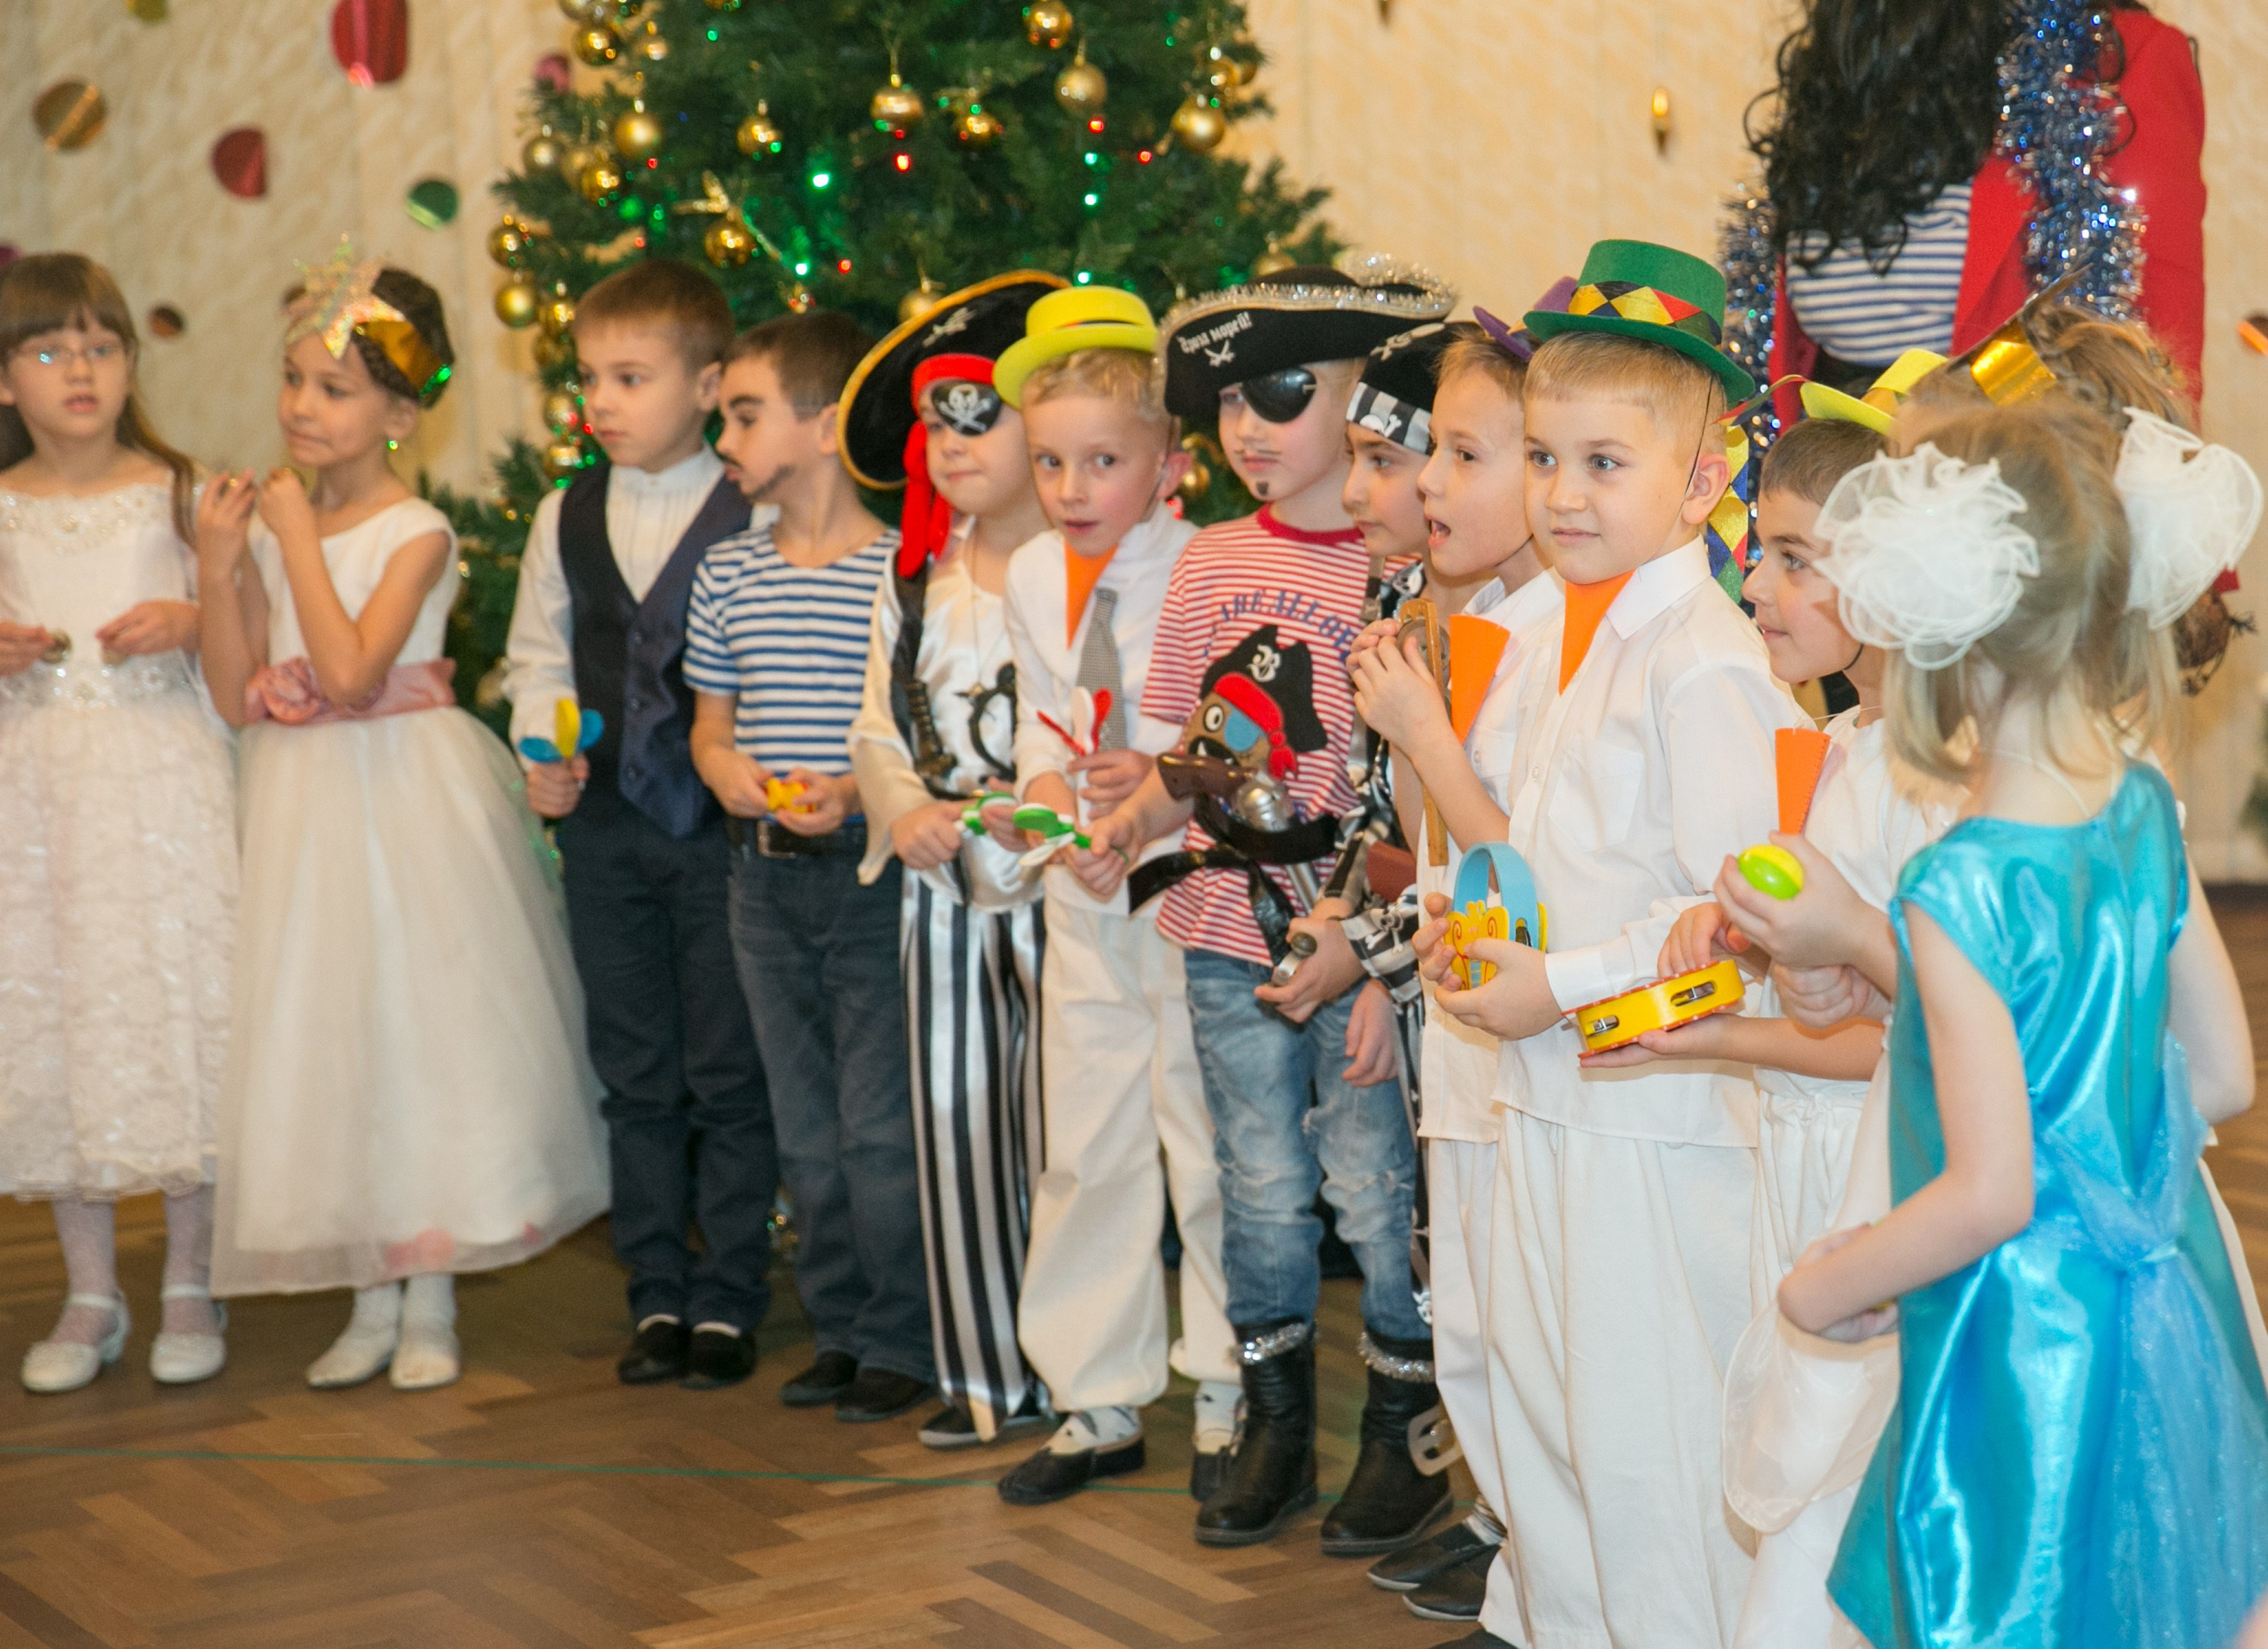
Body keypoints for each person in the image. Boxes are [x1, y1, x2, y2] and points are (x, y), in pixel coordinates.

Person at [1767, 398, 2268, 1645]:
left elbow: (1990, 1191)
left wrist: (1827, 1285)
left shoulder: (1960, 885)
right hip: (2165, 1299)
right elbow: (2221, 1077)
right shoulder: (2141, 803)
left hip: (2026, 1336)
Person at [1419, 239, 1809, 1649]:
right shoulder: (1550, 638)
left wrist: (1563, 985)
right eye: (1543, 459)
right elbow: (1535, 849)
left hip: (1657, 1115)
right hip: (1546, 1097)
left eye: (1604, 463)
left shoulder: (1704, 660)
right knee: (1550, 1419)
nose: (1563, 495)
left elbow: (1736, 913)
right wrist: (1470, 933)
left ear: (1703, 483)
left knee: (1650, 1439)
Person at [1083, 253, 1456, 1552]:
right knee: (1253, 1177)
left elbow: (1409, 793)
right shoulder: (1207, 560)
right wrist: (1134, 820)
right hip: (1222, 931)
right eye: (1232, 397)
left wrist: (1368, 951)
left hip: (1352, 939)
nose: (1248, 424)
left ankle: (1403, 1427)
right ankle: (1273, 1422)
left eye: (1284, 392)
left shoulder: (1407, 567)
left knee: (1372, 1181)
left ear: (1363, 401)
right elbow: (1201, 747)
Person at [201, 245, 607, 1391]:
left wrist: (289, 539)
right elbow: (238, 691)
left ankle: (431, 1293)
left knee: (421, 1030)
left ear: (398, 412)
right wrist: (221, 565)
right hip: (303, 807)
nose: (301, 407)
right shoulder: (273, 525)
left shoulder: (417, 528)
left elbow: (350, 672)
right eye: (292, 380)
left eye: (332, 389)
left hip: (403, 802)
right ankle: (367, 1289)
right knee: (329, 1031)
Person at [1598, 391, 1956, 1649]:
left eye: (1796, 558)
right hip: (1811, 1162)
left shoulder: (1933, 782)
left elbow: (1914, 1040)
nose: (1754, 582)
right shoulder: (1847, 741)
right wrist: (1746, 935)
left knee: (1845, 1502)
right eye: (1761, 550)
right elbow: (1842, 985)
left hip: (1883, 1174)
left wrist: (1723, 1034)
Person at [983, 289, 1239, 1505]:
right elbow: (1043, 714)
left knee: (1207, 1135)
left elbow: (1226, 735)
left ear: (1170, 462)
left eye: (1103, 460)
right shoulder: (1033, 570)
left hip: (1188, 886)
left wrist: (1147, 797)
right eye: (1049, 462)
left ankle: (1233, 1384)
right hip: (1083, 890)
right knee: (1084, 1139)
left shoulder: (1204, 566)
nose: (1072, 487)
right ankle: (1095, 1392)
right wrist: (1043, 800)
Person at [502, 258, 773, 1392]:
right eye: (588, 378)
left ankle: (732, 1293)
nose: (600, 401)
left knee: (727, 1066)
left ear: (708, 384)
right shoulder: (565, 514)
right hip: (608, 827)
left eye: (630, 377)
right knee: (635, 1066)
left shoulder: (757, 509)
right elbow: (537, 659)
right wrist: (544, 749)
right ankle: (656, 1287)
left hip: (721, 835)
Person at [1343, 307, 1567, 1623]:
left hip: (1522, 1017)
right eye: (1432, 453)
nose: (1427, 482)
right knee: (1472, 1304)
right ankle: (1509, 1537)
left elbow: (1520, 870)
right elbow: (1426, 849)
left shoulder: (1550, 638)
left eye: (1463, 456)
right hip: (1458, 1007)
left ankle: (1536, 1560)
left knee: (1526, 1310)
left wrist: (1422, 730)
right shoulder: (1462, 614)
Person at [686, 312, 936, 1424]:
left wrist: (855, 789)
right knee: (807, 1127)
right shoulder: (726, 571)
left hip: (868, 877)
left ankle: (902, 1336)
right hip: (761, 883)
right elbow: (710, 727)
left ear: (825, 426)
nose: (724, 437)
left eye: (745, 414)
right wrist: (726, 772)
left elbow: (912, 738)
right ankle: (838, 1328)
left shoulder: (899, 572)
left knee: (878, 1126)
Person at [0, 253, 237, 1394]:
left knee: (175, 1008)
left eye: (100, 347)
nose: (79, 370)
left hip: (161, 785)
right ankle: (91, 1288)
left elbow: (244, 649)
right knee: (61, 1019)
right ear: (7, 380)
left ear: (132, 364)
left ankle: (192, 1275)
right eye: (49, 350)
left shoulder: (180, 488)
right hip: (36, 796)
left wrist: (194, 618)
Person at [836, 274, 1061, 1449]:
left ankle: (1084, 1372)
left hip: (1063, 890)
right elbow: (875, 723)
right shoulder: (913, 576)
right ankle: (986, 1376)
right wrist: (903, 806)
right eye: (937, 422)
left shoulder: (1081, 570)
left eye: (982, 415)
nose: (956, 443)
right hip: (945, 892)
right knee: (956, 1122)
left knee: (1068, 1132)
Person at [1747, 0, 2205, 404]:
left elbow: (2160, 356)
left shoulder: (2115, 57)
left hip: (2008, 455)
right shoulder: (1847, 52)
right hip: (1828, 457)